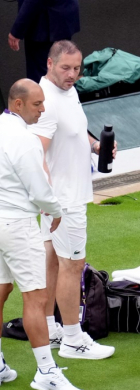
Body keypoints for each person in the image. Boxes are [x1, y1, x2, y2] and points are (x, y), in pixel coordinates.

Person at [29, 41, 116, 360]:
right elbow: (35, 153)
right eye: (65, 68)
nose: (72, 74)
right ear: (49, 63)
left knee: (53, 260)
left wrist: (94, 146)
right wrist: (48, 200)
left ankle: (51, 328)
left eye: (77, 68)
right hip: (63, 200)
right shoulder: (46, 102)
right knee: (72, 265)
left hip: (61, 197)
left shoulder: (68, 91)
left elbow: (75, 130)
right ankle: (73, 339)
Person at [0, 79, 82, 390]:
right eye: (37, 104)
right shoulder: (24, 139)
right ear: (18, 104)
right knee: (36, 297)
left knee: (1, 291)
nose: (42, 110)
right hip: (18, 225)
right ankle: (46, 372)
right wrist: (56, 210)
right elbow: (39, 188)